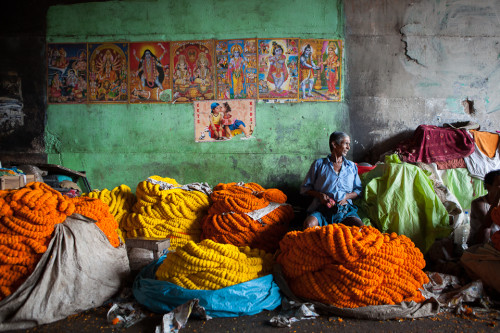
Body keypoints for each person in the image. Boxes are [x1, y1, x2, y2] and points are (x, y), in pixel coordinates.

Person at [301, 131, 363, 229]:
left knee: (360, 227)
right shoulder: (319, 164)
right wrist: (320, 195)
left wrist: (346, 196)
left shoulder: (351, 167)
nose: (348, 147)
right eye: (346, 143)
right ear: (334, 144)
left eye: (349, 144)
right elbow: (305, 188)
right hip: (322, 209)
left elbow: (358, 190)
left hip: (345, 210)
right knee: (309, 225)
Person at [469, 169, 500, 246]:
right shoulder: (478, 203)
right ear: (488, 187)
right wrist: (498, 196)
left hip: (495, 243)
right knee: (486, 230)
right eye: (499, 185)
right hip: (478, 242)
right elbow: (487, 224)